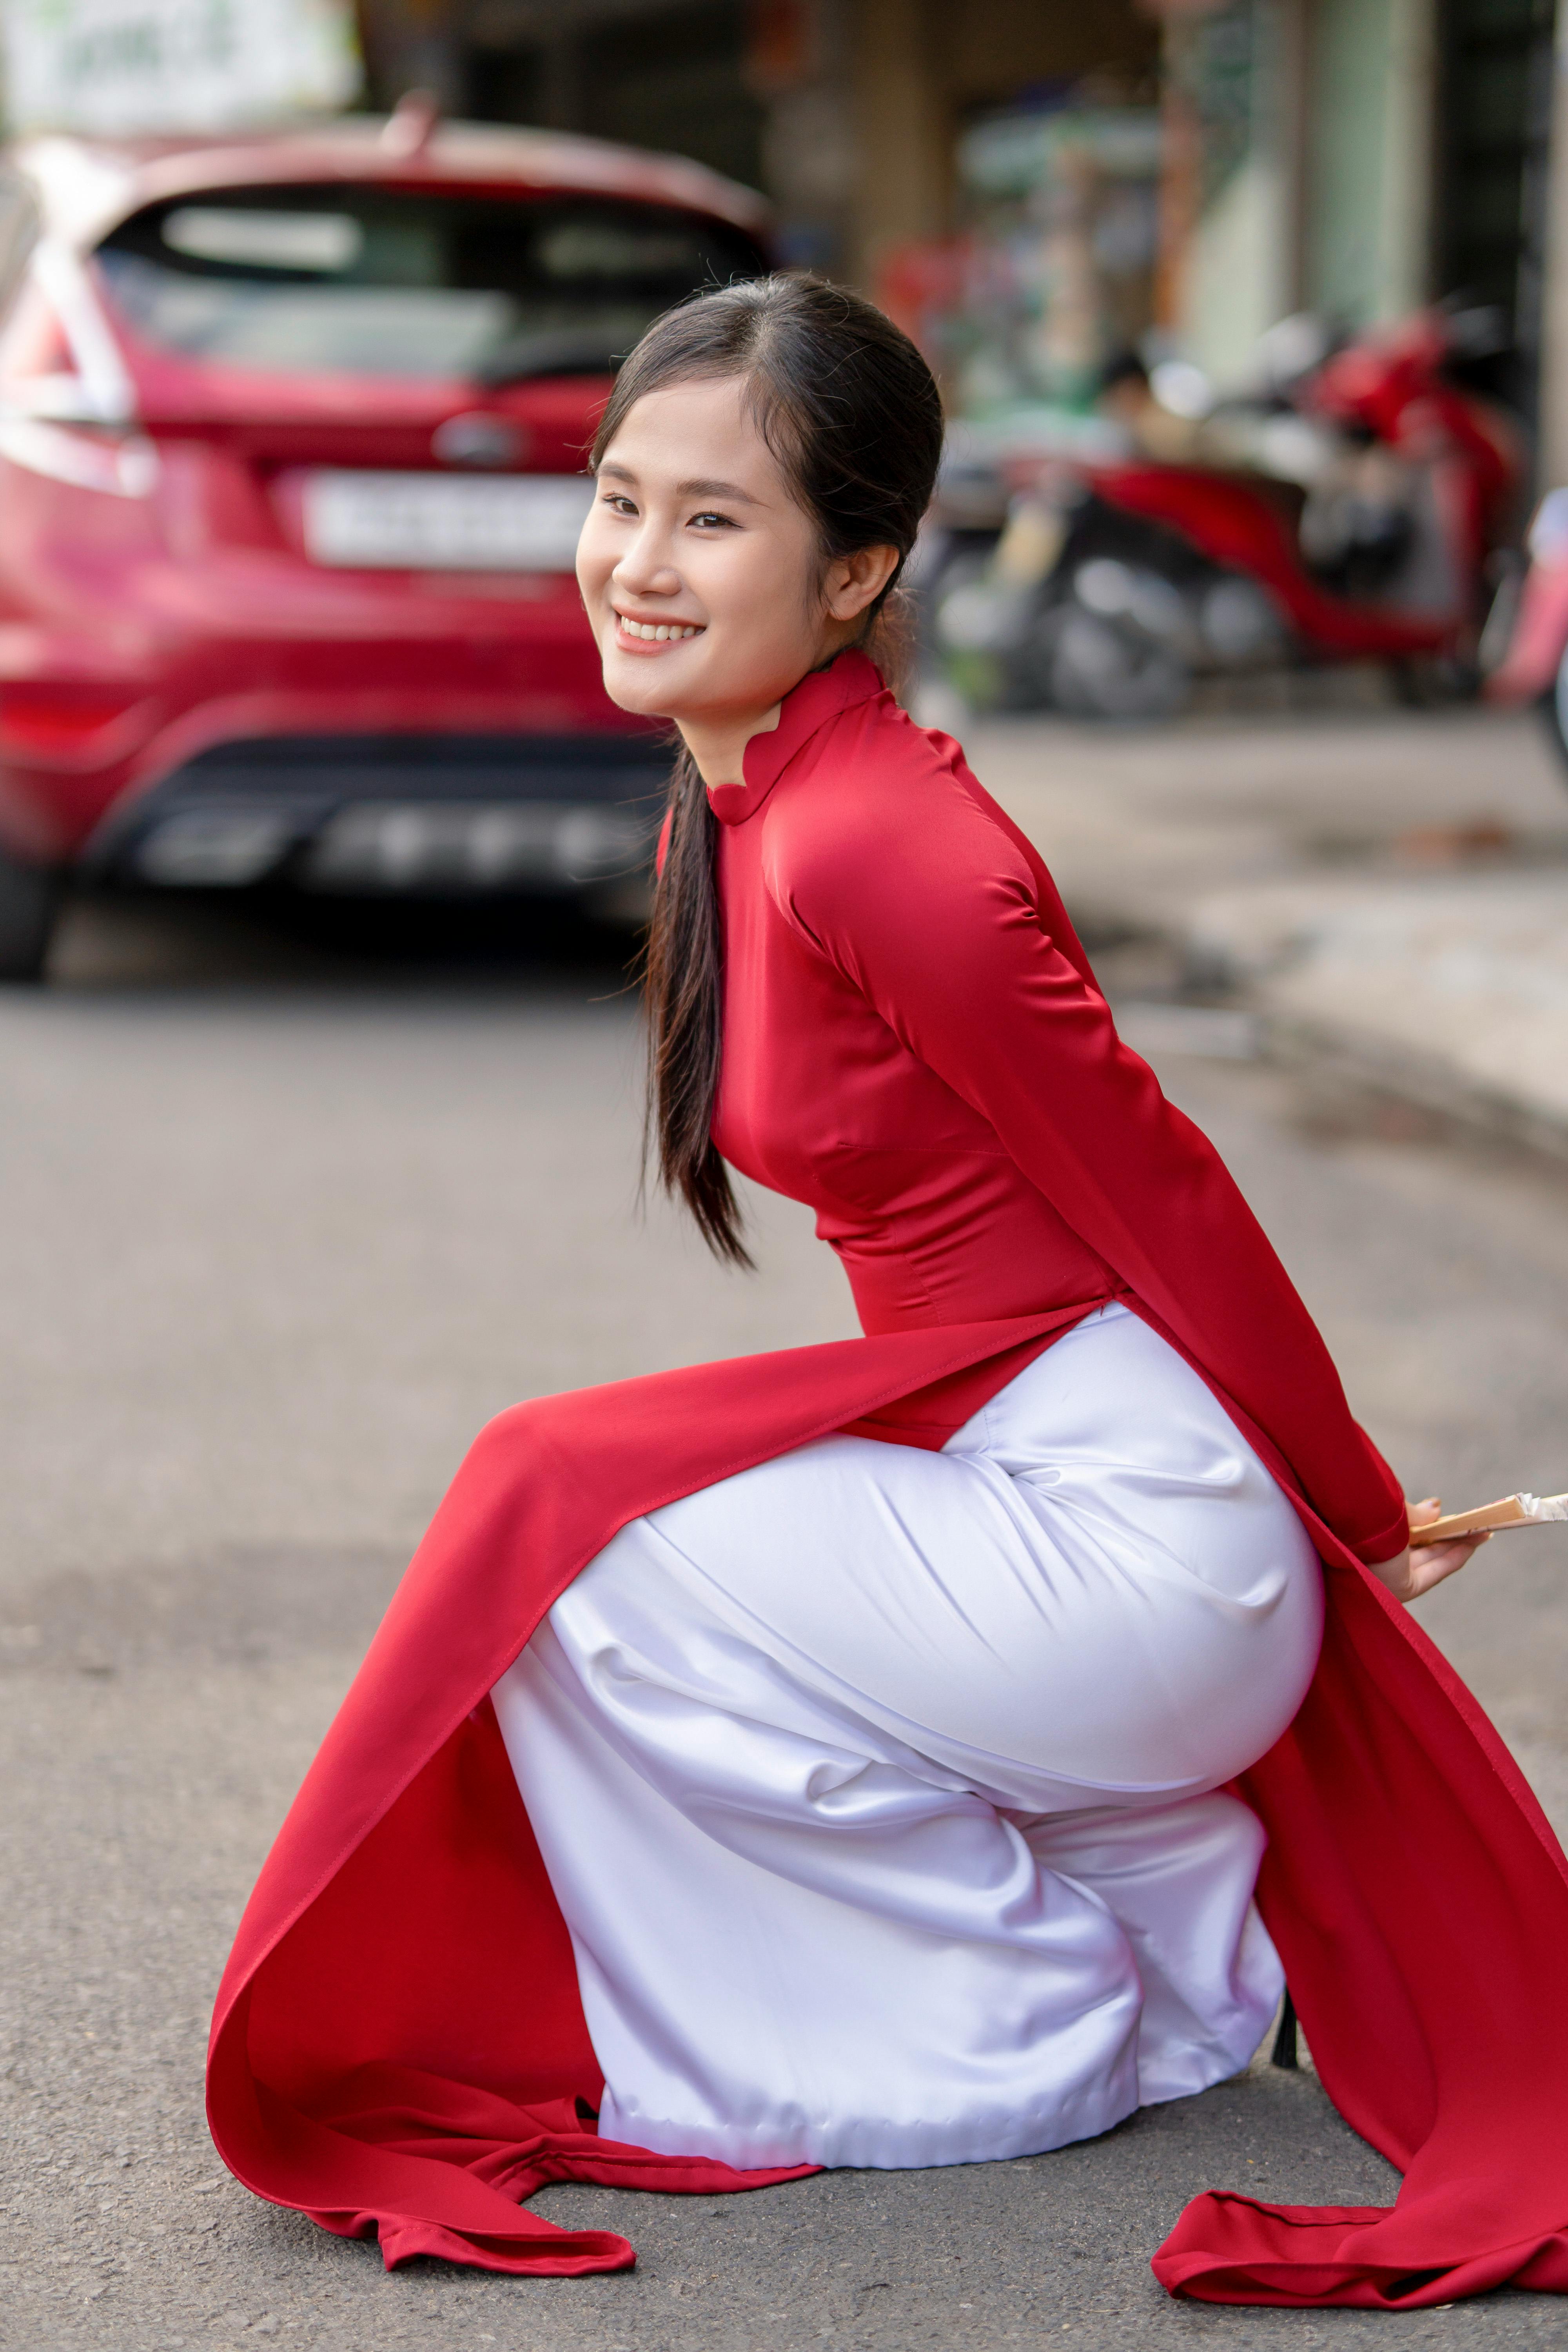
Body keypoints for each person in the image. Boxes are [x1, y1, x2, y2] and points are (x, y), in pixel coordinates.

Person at [208, 279, 1568, 2311]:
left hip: (1135, 1543)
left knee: (582, 1532)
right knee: (598, 1523)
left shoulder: (883, 845)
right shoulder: (760, 797)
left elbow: (1163, 1191)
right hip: (1052, 1490)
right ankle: (1180, 1918)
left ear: (857, 571)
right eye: (617, 498)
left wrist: (1355, 1511)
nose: (637, 563)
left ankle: (1027, 2014)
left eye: (712, 522)